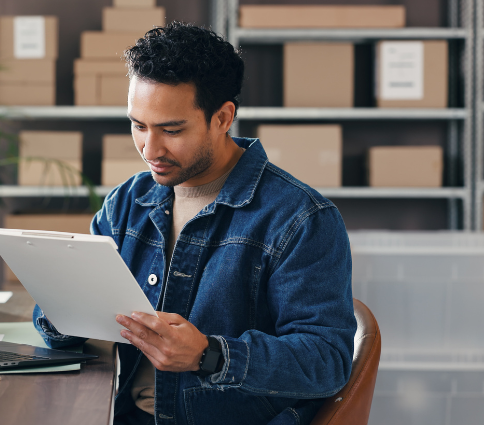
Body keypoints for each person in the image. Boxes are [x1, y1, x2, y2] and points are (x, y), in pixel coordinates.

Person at [32, 22, 357, 425]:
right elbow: (61, 325)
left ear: (223, 118)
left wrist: (209, 355)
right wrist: (60, 309)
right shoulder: (126, 202)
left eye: (171, 130)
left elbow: (327, 362)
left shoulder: (301, 218)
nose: (150, 149)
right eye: (138, 125)